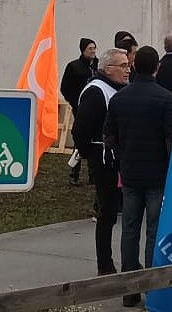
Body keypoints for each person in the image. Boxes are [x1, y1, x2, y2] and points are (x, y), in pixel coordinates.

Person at [105, 46, 172, 308]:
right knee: (153, 232)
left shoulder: (119, 99)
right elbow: (171, 141)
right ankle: (151, 288)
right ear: (157, 68)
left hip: (130, 173)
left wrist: (123, 153)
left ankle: (129, 289)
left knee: (129, 231)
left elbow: (109, 135)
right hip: (157, 174)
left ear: (134, 66)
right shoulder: (167, 99)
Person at [72, 48, 129, 277]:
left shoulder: (119, 89)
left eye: (128, 65)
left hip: (120, 159)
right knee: (107, 212)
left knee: (117, 211)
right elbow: (80, 130)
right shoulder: (96, 92)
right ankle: (105, 265)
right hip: (104, 160)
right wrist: (94, 156)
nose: (128, 70)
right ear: (108, 69)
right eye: (122, 66)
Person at [60, 38, 98, 185]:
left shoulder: (97, 65)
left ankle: (93, 174)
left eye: (94, 48)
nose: (93, 51)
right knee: (80, 138)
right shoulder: (74, 67)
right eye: (90, 48)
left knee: (95, 138)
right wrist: (75, 102)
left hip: (95, 107)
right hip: (80, 108)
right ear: (83, 50)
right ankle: (74, 172)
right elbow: (65, 88)